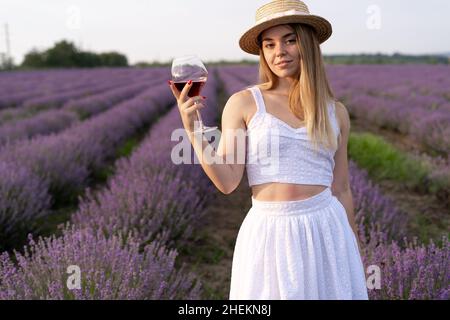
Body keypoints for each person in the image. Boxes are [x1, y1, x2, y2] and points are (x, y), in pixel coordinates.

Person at [169, 0, 369, 300]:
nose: (279, 51)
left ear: (308, 44)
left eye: (290, 40)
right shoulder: (244, 102)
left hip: (326, 229)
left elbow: (341, 188)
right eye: (269, 44)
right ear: (262, 52)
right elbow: (227, 181)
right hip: (270, 232)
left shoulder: (335, 112)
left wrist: (352, 243)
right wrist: (193, 128)